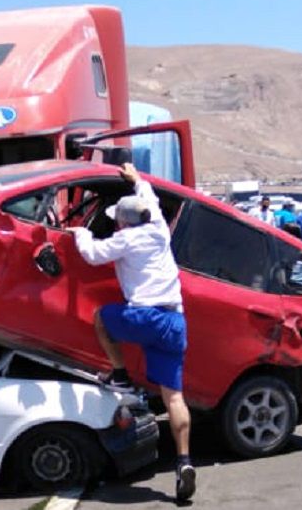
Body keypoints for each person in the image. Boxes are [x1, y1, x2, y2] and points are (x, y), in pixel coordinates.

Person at [68, 163, 196, 502]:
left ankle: (121, 373)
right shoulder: (158, 227)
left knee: (101, 318)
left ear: (122, 222)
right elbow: (148, 196)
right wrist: (136, 177)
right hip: (174, 319)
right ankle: (184, 462)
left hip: (144, 316)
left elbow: (92, 254)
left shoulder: (124, 239)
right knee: (175, 397)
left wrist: (79, 232)